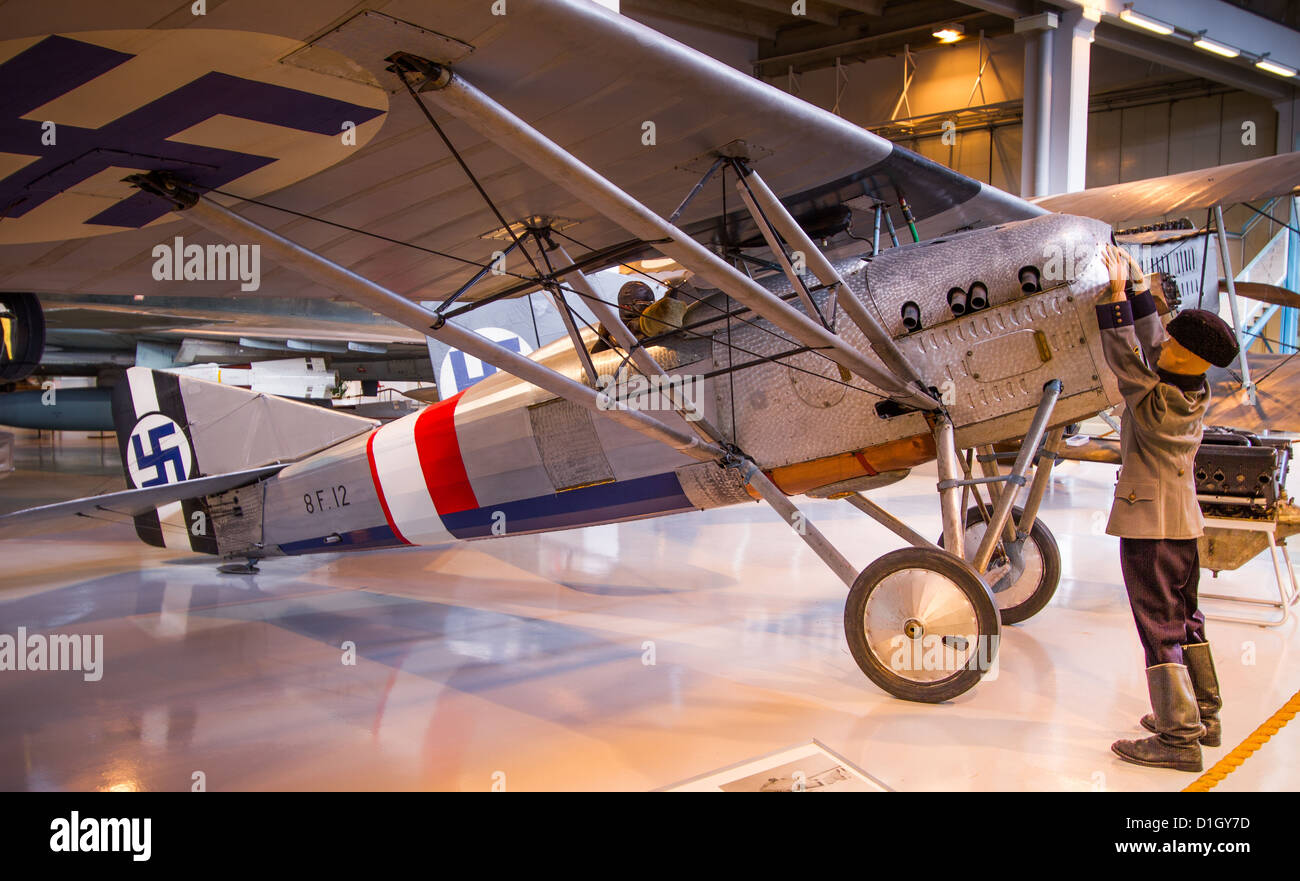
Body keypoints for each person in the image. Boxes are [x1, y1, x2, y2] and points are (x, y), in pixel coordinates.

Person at [1096, 244, 1239, 772]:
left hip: (1150, 528)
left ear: (1184, 353)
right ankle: (1204, 713)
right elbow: (1154, 343)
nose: (1166, 338)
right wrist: (1135, 288)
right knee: (1186, 618)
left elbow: (1127, 360)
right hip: (1181, 526)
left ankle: (1178, 740)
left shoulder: (1159, 404)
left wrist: (1114, 299)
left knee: (1157, 624)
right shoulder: (1189, 385)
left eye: (1174, 337)